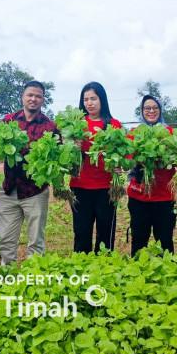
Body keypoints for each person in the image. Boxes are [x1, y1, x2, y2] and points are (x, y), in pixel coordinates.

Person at [0, 81, 58, 265]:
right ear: (23, 97)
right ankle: (7, 275)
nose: (33, 99)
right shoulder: (8, 121)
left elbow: (58, 159)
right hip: (9, 189)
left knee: (36, 242)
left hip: (35, 191)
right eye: (30, 95)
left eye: (38, 96)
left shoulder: (50, 128)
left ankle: (33, 277)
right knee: (6, 240)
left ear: (43, 100)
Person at [69, 81, 122, 254]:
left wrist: (118, 164)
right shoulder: (76, 124)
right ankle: (82, 266)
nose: (89, 103)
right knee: (81, 231)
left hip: (106, 187)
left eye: (93, 98)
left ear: (102, 100)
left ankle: (105, 267)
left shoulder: (113, 124)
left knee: (106, 232)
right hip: (80, 186)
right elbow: (64, 153)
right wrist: (73, 147)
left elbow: (123, 153)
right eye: (86, 99)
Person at [126, 95, 177, 254]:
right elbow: (126, 157)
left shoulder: (169, 132)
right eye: (147, 108)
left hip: (164, 197)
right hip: (138, 196)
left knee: (165, 240)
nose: (151, 111)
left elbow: (176, 158)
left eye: (155, 107)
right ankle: (137, 271)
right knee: (139, 239)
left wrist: (165, 156)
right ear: (142, 111)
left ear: (160, 110)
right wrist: (137, 159)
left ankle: (167, 273)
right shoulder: (134, 133)